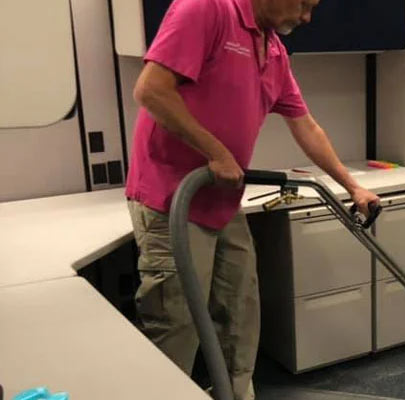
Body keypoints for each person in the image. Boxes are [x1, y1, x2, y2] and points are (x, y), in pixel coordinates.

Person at [124, 0, 380, 398]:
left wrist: (353, 186)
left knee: (241, 312)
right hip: (172, 199)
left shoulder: (273, 49)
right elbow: (152, 91)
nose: (307, 18)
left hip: (223, 201)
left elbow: (306, 126)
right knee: (178, 322)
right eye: (304, 4)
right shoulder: (205, 9)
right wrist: (218, 153)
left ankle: (236, 394)